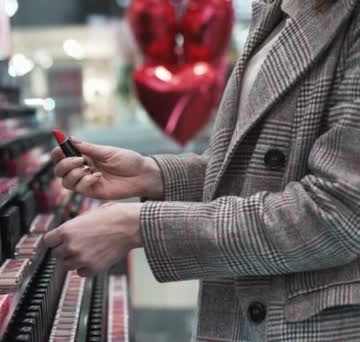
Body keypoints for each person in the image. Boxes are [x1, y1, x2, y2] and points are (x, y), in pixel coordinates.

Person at [42, 0, 360, 340]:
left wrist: (136, 226)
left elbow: (337, 212)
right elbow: (259, 169)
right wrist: (151, 174)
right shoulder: (275, 10)